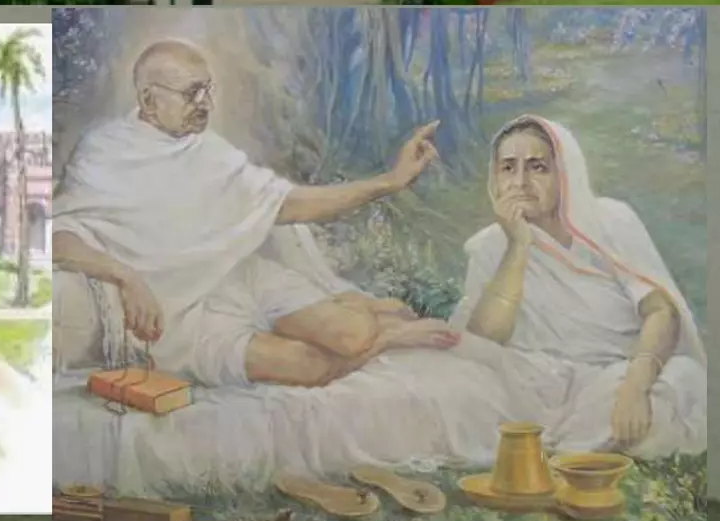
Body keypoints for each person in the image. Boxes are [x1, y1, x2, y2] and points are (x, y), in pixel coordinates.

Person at [51, 40, 458, 390]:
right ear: (147, 100)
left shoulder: (209, 153)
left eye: (207, 91)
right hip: (177, 319)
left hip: (238, 280)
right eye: (192, 93)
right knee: (307, 367)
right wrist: (126, 276)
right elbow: (59, 237)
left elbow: (290, 204)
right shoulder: (104, 151)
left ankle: (366, 316)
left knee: (352, 336)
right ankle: (389, 336)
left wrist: (389, 182)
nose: (205, 104)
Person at [455, 116, 706, 455]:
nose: (521, 182)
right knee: (460, 391)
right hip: (534, 383)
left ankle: (557, 447)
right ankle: (556, 446)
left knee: (683, 382)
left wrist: (635, 388)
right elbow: (486, 341)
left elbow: (661, 311)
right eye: (508, 168)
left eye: (538, 167)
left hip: (617, 376)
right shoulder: (490, 246)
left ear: (565, 174)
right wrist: (517, 246)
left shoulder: (609, 221)